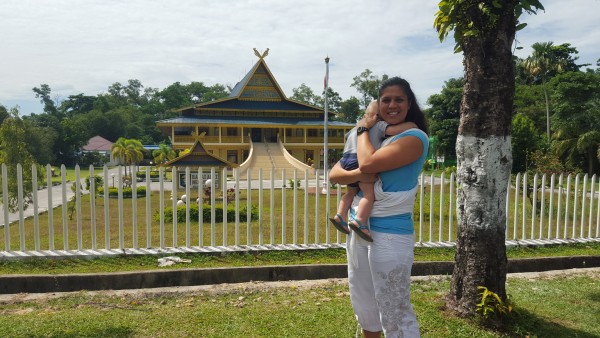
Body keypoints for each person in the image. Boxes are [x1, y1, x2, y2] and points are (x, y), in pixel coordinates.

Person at [329, 76, 429, 338]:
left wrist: (363, 130)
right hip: (358, 228)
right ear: (378, 104)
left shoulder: (414, 137)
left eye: (399, 100)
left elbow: (369, 164)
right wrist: (361, 173)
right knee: (364, 302)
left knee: (394, 308)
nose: (392, 105)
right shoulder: (378, 134)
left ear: (409, 104)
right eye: (386, 100)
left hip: (391, 235)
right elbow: (335, 174)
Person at [329, 100, 416, 242]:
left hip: (346, 160)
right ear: (377, 116)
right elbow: (396, 130)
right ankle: (361, 221)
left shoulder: (354, 128)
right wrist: (411, 125)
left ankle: (340, 215)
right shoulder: (379, 125)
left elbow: (346, 139)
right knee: (368, 193)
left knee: (350, 192)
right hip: (360, 159)